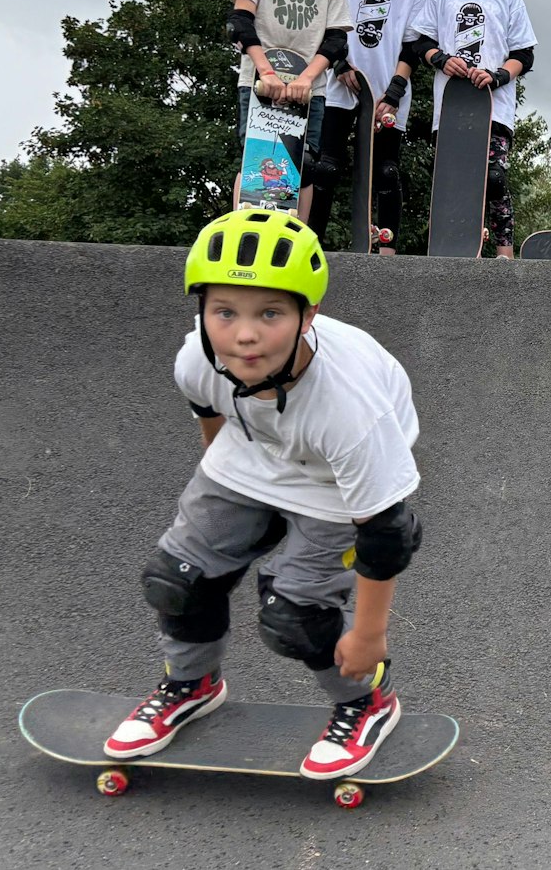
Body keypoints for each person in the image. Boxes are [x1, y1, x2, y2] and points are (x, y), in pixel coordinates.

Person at [103, 208, 422, 781]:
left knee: (296, 617)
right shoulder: (197, 359)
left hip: (332, 483)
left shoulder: (351, 412)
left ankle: (368, 701)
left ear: (308, 315)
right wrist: (231, 500)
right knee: (177, 579)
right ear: (201, 311)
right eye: (224, 312)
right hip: (251, 452)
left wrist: (369, 634)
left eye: (270, 313)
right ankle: (193, 684)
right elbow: (211, 413)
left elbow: (386, 535)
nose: (245, 335)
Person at [403, 0, 536, 258]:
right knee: (453, 181)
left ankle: (505, 252)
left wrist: (497, 75)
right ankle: (454, 248)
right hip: (451, 107)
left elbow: (524, 54)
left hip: (493, 107)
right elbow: (420, 42)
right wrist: (442, 60)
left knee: (494, 178)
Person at [307, 0, 430, 251]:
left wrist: (395, 91)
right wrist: (339, 63)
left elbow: (413, 43)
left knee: (387, 172)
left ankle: (387, 254)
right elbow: (320, 6)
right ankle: (311, 245)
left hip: (386, 93)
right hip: (337, 83)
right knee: (326, 166)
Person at [226, 0, 352, 218]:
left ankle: (296, 236)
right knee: (256, 158)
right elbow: (240, 23)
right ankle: (245, 231)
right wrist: (266, 72)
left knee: (305, 164)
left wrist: (307, 79)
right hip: (260, 82)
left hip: (310, 88)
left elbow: (336, 40)